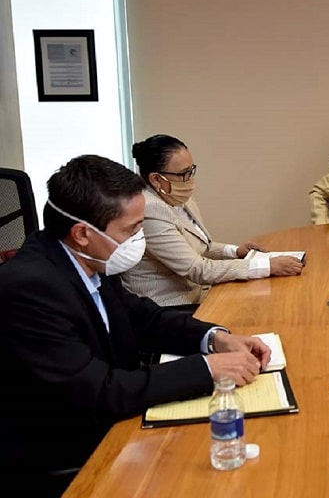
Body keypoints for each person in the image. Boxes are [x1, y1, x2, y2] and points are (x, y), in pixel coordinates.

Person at [0, 155, 272, 496]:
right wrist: (207, 369)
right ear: (82, 233)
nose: (139, 238)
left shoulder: (88, 260)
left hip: (115, 412)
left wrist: (214, 338)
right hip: (69, 449)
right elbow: (99, 391)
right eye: (132, 229)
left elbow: (144, 317)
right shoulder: (31, 288)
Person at [122, 134, 303, 308]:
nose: (190, 180)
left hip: (199, 292)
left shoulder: (176, 195)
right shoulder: (150, 209)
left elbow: (202, 247)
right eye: (184, 173)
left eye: (192, 170)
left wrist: (235, 251)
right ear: (156, 179)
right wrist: (267, 266)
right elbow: (198, 268)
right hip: (170, 308)